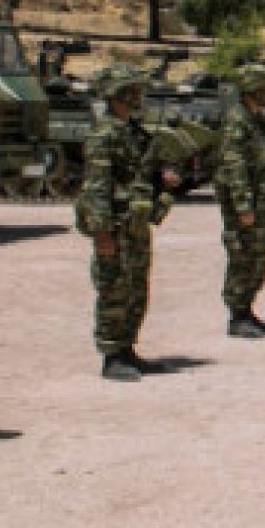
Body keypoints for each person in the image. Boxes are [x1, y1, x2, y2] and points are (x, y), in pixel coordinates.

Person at [77, 66, 181, 380]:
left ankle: (127, 348)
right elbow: (96, 186)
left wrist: (163, 177)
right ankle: (111, 355)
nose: (137, 96)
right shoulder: (104, 134)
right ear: (116, 95)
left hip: (135, 222)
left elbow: (140, 172)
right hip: (116, 224)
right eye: (130, 91)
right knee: (114, 289)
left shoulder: (132, 131)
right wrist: (101, 231)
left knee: (136, 288)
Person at [217, 65, 265, 339]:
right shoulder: (237, 120)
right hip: (245, 203)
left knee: (258, 257)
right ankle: (237, 315)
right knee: (242, 257)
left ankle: (246, 308)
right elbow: (235, 165)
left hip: (259, 200)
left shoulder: (255, 118)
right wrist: (243, 204)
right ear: (252, 89)